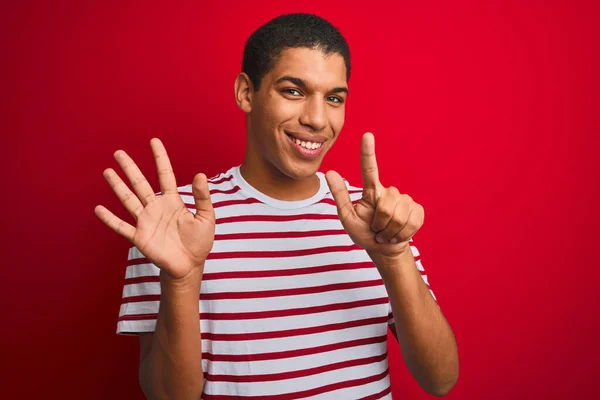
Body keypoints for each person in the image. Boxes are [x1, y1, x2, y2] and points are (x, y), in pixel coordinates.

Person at [94, 13, 458, 399]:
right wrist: (181, 281)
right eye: (293, 91)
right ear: (246, 93)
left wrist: (394, 256)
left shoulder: (373, 217)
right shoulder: (173, 221)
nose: (318, 119)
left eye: (334, 98)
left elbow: (441, 379)